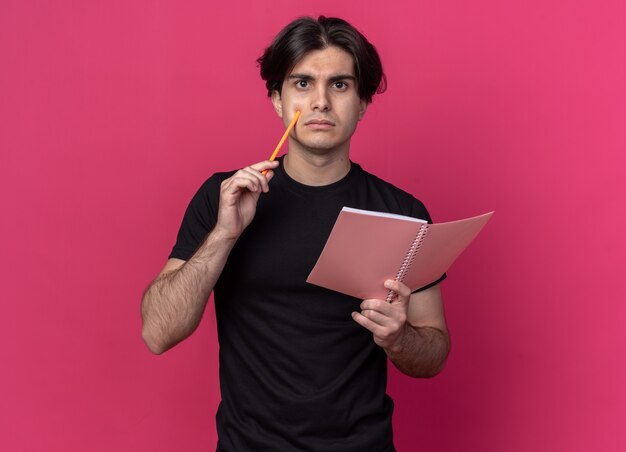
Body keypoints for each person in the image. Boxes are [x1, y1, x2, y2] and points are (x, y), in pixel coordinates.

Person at [141, 16, 450, 451]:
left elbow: (433, 351)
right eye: (302, 84)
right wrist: (224, 235)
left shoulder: (402, 213)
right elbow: (157, 332)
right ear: (277, 100)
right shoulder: (222, 198)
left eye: (340, 85)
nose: (320, 101)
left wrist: (400, 339)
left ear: (362, 103)